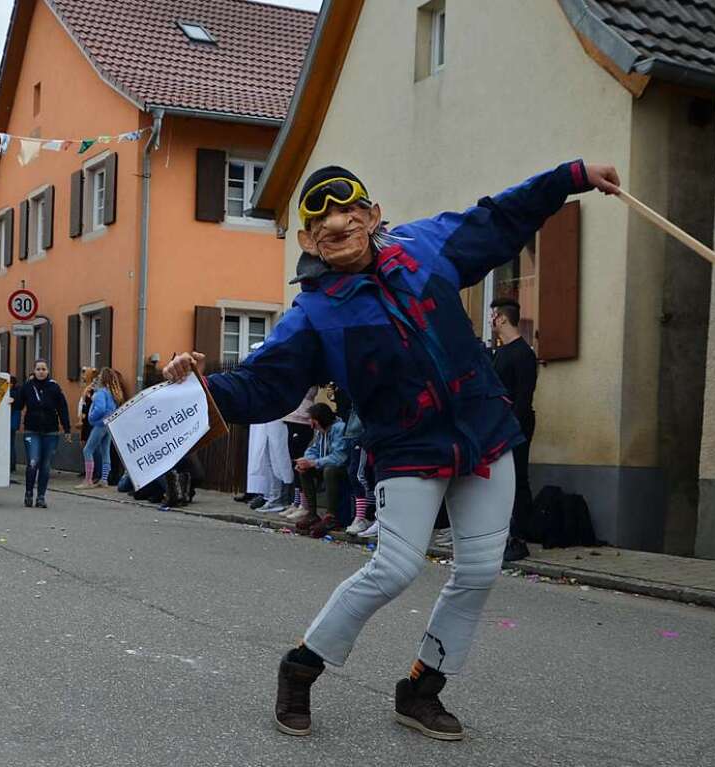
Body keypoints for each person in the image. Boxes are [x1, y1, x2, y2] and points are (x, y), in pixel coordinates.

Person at [164, 158, 619, 740]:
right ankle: (301, 667)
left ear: (374, 215)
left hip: (483, 433)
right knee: (394, 568)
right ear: (308, 240)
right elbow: (262, 382)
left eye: (351, 207)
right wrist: (197, 389)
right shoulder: (315, 315)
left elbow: (500, 218)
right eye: (322, 216)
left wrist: (571, 177)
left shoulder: (428, 246)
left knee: (479, 571)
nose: (339, 220)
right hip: (407, 448)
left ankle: (421, 689)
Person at [490, 297, 538, 561]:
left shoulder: (523, 354)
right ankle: (503, 534)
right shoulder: (502, 352)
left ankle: (519, 539)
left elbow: (523, 397)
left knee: (518, 480)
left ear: (502, 318)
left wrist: (513, 428)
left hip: (516, 427)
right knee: (502, 483)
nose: (491, 321)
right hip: (501, 427)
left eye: (493, 316)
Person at [13, 359, 71, 508]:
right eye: (38, 369)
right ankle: (28, 493)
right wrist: (12, 396)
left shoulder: (54, 387)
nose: (41, 372)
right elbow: (19, 404)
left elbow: (62, 408)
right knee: (33, 462)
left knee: (45, 465)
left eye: (43, 369)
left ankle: (41, 496)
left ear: (48, 371)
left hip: (51, 431)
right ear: (34, 371)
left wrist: (67, 428)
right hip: (32, 430)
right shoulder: (27, 386)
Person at [294, 403, 348, 538]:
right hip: (324, 465)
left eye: (312, 419)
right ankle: (312, 513)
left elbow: (339, 457)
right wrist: (306, 462)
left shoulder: (339, 428)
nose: (310, 422)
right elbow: (313, 449)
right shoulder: (320, 431)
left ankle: (331, 517)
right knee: (304, 470)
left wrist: (314, 463)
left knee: (329, 470)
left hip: (341, 469)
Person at [79, 367, 124, 488]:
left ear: (102, 379)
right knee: (105, 452)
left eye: (98, 377)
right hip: (109, 425)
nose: (96, 379)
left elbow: (100, 409)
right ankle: (104, 480)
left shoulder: (100, 393)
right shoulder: (112, 394)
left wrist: (91, 417)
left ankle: (88, 480)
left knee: (87, 450)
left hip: (99, 425)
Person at [279, 385, 318, 518]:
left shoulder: (307, 376)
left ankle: (304, 504)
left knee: (300, 462)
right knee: (293, 463)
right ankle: (296, 502)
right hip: (291, 416)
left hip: (302, 419)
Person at [8, 375, 21, 474]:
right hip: (13, 423)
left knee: (9, 444)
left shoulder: (12, 393)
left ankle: (10, 465)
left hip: (10, 423)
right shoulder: (18, 392)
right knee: (11, 444)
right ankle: (12, 465)